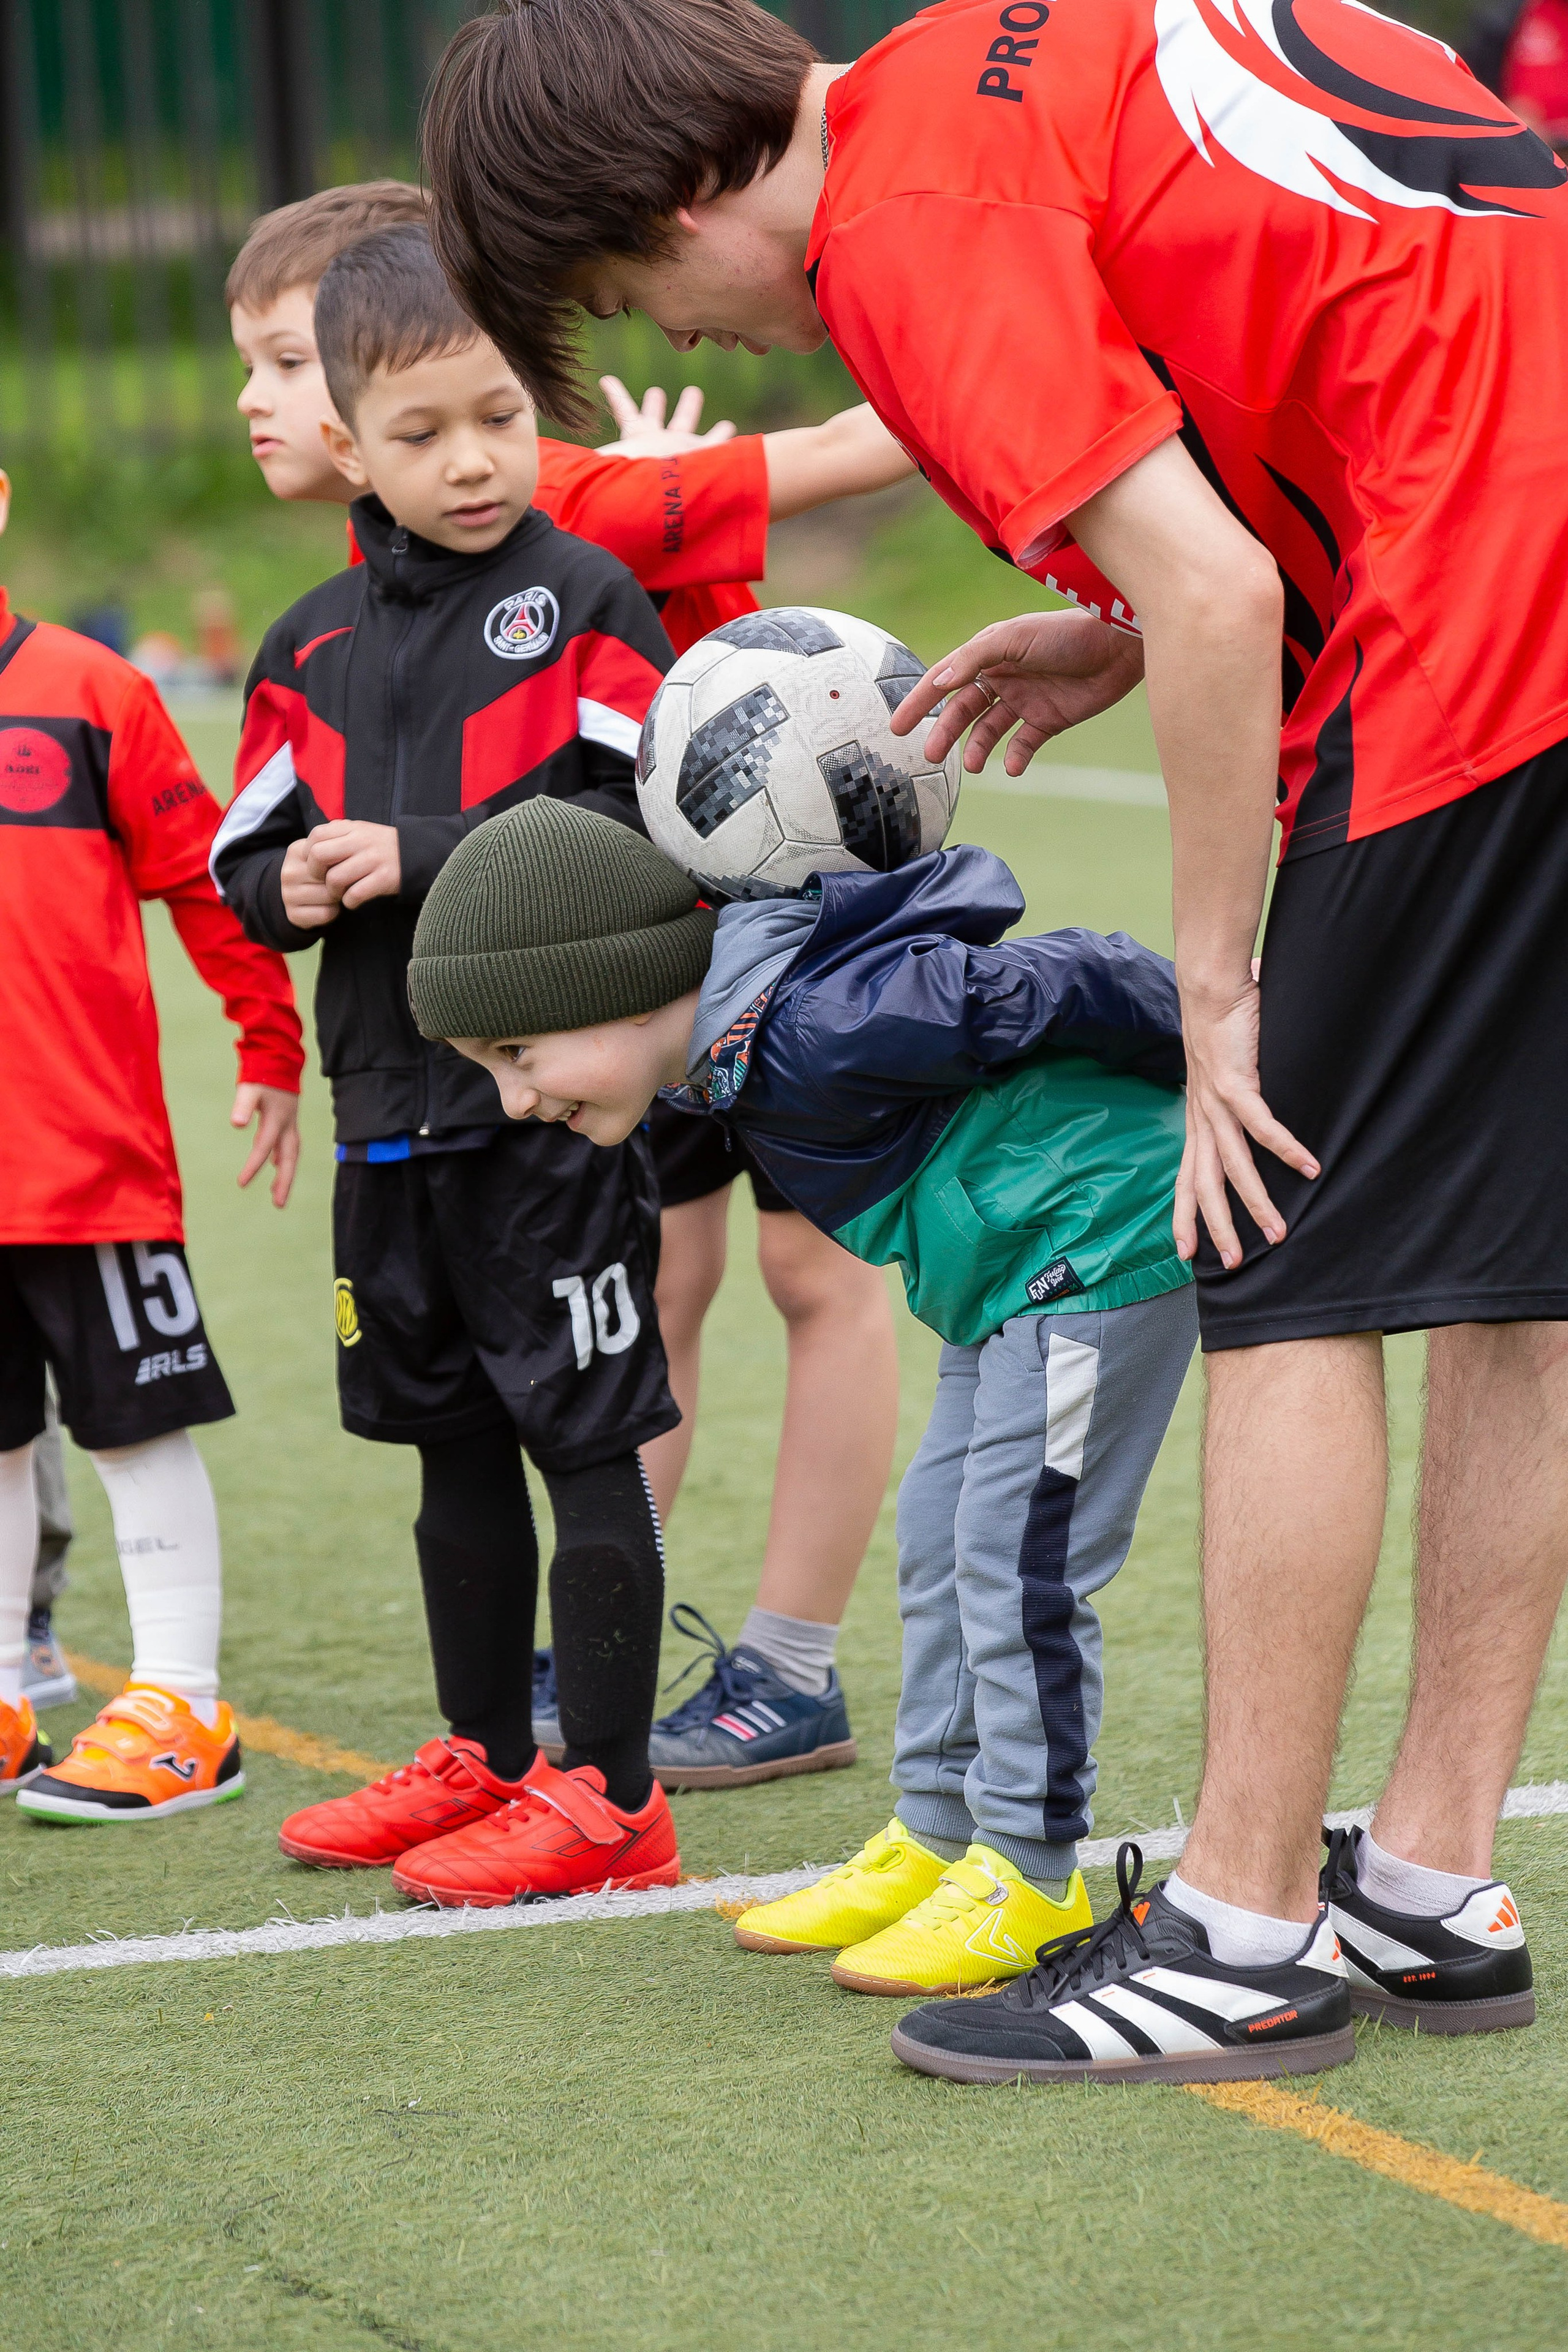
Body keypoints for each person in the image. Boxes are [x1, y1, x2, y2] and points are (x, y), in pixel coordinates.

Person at [421, 0, 1567, 2078]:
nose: (711, 340)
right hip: (1514, 520)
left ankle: (1237, 1924)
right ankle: (1426, 1873)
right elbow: (1362, 288)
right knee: (1518, 1281)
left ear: (678, 195)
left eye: (626, 290)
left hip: (1496, 593)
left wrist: (1220, 992)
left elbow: (1226, 594)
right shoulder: (984, 56)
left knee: (1278, 1258)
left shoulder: (899, 224)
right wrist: (1123, 629)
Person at [226, 178, 902, 1790]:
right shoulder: (338, 615)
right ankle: (594, 1658)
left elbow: (794, 474)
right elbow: (252, 853)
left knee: (808, 1276)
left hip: (745, 911)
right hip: (582, 997)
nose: (258, 399)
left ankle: (782, 1670)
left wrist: (1022, 409)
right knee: (645, 1299)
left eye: (277, 361)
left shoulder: (579, 515)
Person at [403, 797, 1221, 2018]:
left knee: (1018, 1562)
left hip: (1092, 1249)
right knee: (943, 1539)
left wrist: (1225, 1040)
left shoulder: (825, 1021)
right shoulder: (726, 1050)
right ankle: (937, 1835)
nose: (517, 1100)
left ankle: (1033, 1870)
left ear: (629, 994)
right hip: (994, 1277)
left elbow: (1071, 976)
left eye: (521, 1058)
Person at [214, 222, 693, 1907]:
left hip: (549, 1116)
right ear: (347, 439)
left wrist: (421, 848)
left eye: (499, 414)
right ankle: (485, 1755)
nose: (474, 459)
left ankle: (615, 1794)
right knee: (451, 1450)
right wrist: (284, 884)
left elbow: (651, 823)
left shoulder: (586, 603)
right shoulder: (305, 649)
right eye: (421, 433)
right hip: (386, 1121)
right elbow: (242, 856)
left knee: (586, 1444)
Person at [0, 456, 304, 1819]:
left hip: (84, 1159)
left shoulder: (89, 690)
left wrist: (268, 1045)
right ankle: (9, 1694)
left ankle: (182, 1703)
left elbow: (201, 884)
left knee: (132, 1425)